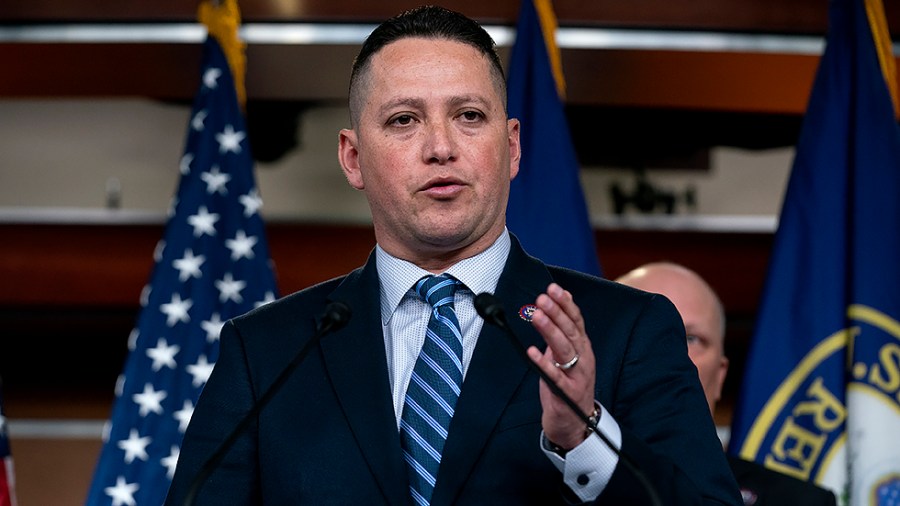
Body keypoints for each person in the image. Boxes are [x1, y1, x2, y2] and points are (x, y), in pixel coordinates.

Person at [165, 6, 741, 505]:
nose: (440, 147)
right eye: (403, 120)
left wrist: (584, 437)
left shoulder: (628, 332)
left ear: (511, 146)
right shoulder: (266, 354)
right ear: (353, 158)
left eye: (469, 116)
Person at [616, 262, 837, 506]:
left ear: (720, 375)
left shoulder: (798, 502)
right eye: (643, 332)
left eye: (691, 338)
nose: (669, 355)